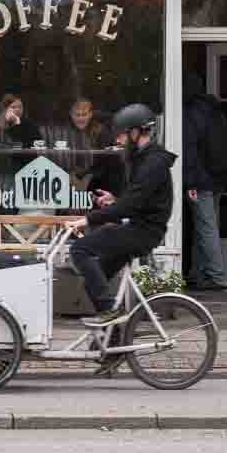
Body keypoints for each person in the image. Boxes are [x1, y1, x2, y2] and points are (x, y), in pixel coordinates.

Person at [65, 103, 175, 322]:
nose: (118, 140)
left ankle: (110, 312)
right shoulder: (145, 158)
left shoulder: (152, 163)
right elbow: (139, 200)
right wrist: (115, 200)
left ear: (136, 132)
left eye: (121, 135)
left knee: (80, 249)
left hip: (143, 232)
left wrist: (87, 220)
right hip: (140, 228)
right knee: (94, 281)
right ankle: (114, 336)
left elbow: (129, 207)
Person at [181, 80, 227, 292]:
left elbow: (190, 151)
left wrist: (191, 182)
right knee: (205, 224)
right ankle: (198, 274)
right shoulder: (212, 109)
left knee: (206, 226)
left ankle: (216, 275)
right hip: (219, 176)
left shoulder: (190, 113)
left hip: (201, 178)